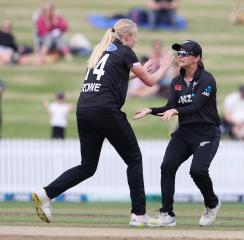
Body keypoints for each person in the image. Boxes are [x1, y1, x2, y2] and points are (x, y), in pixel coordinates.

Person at [32, 18, 173, 226]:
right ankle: (139, 214)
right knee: (134, 158)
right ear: (127, 37)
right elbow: (150, 83)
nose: (136, 40)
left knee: (87, 166)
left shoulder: (102, 50)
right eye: (135, 36)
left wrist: (142, 69)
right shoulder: (126, 51)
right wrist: (164, 67)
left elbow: (113, 78)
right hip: (105, 110)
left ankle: (45, 194)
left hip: (85, 110)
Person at [134, 40, 221, 227]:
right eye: (179, 53)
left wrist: (176, 111)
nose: (180, 56)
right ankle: (167, 215)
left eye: (185, 53)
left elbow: (197, 105)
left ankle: (212, 204)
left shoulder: (207, 79)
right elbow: (169, 107)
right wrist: (150, 109)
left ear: (197, 58)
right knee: (167, 167)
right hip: (185, 132)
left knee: (197, 171)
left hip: (207, 132)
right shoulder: (177, 82)